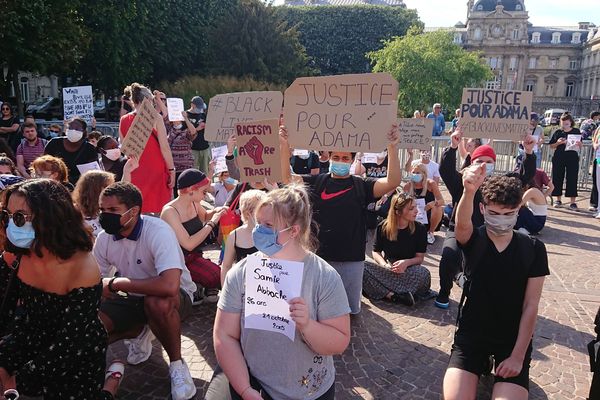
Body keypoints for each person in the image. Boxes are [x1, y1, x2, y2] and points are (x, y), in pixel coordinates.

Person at [213, 185, 351, 399]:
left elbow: (340, 341)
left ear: (293, 230)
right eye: (258, 223)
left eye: (268, 225)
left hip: (309, 392)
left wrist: (307, 324)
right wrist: (245, 389)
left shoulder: (325, 276)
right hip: (253, 381)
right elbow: (224, 335)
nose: (259, 230)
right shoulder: (241, 272)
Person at [0, 179, 124, 399]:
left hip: (75, 349)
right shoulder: (16, 254)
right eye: (6, 215)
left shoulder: (82, 267)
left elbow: (70, 342)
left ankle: (110, 387)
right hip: (30, 336)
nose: (10, 224)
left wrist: (18, 381)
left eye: (19, 217)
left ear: (50, 218)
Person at [442, 172, 548, 400]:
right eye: (494, 213)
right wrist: (469, 191)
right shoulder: (475, 240)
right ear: (482, 209)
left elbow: (531, 305)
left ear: (519, 209)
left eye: (508, 214)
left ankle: (496, 364)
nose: (501, 219)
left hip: (511, 339)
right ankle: (481, 363)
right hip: (472, 334)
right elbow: (461, 227)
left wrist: (518, 357)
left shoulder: (533, 249)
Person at [281, 124, 401, 315]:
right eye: (336, 157)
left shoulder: (362, 185)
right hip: (320, 257)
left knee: (349, 312)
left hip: (351, 259)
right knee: (317, 309)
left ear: (353, 160)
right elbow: (286, 179)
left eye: (345, 158)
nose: (340, 161)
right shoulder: (317, 182)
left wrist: (392, 148)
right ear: (329, 158)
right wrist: (284, 145)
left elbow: (393, 181)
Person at [94, 182, 197, 400]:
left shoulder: (158, 231)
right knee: (96, 325)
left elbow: (169, 286)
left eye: (113, 210)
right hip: (132, 297)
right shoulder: (104, 238)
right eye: (102, 210)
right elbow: (97, 280)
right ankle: (140, 330)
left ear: (134, 211)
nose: (105, 216)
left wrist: (116, 283)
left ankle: (177, 365)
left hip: (177, 297)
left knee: (157, 303)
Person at [435, 131, 537, 309]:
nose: (484, 165)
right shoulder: (461, 181)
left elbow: (524, 176)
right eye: (479, 161)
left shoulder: (501, 183)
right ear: (471, 163)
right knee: (449, 255)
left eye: (489, 162)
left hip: (489, 233)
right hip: (459, 230)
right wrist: (452, 147)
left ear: (495, 164)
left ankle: (483, 293)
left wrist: (529, 152)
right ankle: (444, 292)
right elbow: (445, 170)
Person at [161, 169, 225, 303]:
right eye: (203, 192)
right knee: (216, 276)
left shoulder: (194, 202)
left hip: (193, 256)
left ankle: (199, 286)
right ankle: (194, 286)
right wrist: (213, 223)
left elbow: (205, 216)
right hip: (178, 261)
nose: (206, 195)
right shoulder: (170, 212)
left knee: (220, 275)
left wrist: (217, 211)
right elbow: (189, 244)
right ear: (191, 190)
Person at [362, 190, 433, 306]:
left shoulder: (420, 229)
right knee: (362, 266)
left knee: (424, 273)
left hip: (410, 270)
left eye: (415, 207)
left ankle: (386, 291)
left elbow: (419, 258)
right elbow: (376, 251)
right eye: (411, 209)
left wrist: (405, 263)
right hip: (389, 268)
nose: (416, 211)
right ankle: (395, 295)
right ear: (398, 212)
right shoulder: (383, 227)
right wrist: (384, 265)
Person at [119, 83, 176, 214]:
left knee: (137, 208)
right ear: (147, 100)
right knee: (159, 212)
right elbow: (165, 148)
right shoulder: (155, 117)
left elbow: (124, 147)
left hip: (134, 169)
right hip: (156, 170)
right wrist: (171, 169)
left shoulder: (123, 119)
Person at [221, 189, 266, 285]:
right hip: (242, 287)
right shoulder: (235, 236)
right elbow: (226, 266)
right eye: (260, 209)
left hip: (265, 289)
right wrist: (225, 294)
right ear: (247, 213)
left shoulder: (272, 233)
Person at [44, 116, 99, 184]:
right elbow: (43, 163)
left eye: (77, 128)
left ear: (83, 131)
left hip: (79, 186)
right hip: (55, 184)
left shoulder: (89, 148)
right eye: (70, 128)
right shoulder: (54, 143)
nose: (73, 130)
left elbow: (93, 174)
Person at [403, 162, 445, 244]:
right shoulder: (407, 186)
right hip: (414, 215)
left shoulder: (431, 184)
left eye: (418, 173)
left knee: (438, 208)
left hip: (428, 214)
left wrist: (433, 203)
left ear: (424, 174)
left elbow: (441, 201)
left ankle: (430, 232)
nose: (415, 175)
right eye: (413, 172)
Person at [549, 113, 581, 209]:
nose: (564, 126)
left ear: (571, 123)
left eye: (566, 124)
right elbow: (551, 145)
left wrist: (579, 143)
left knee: (572, 178)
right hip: (559, 157)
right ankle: (558, 199)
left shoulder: (576, 131)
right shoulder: (558, 132)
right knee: (558, 177)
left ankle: (572, 201)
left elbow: (580, 144)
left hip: (572, 157)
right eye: (563, 124)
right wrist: (559, 143)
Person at [73, 170, 116, 238]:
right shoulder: (74, 212)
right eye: (108, 187)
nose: (113, 191)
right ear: (95, 189)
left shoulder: (110, 209)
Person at [165, 112, 198, 195]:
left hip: (185, 167)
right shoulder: (169, 129)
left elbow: (193, 131)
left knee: (188, 192)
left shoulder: (186, 131)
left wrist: (185, 118)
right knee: (177, 193)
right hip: (174, 168)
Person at [186, 96, 210, 174]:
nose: (200, 110)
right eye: (198, 107)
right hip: (192, 149)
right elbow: (184, 133)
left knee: (205, 171)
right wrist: (197, 129)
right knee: (193, 172)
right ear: (192, 105)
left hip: (205, 147)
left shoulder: (203, 115)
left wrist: (207, 125)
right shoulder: (186, 115)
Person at [593, 127, 600, 219]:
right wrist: (595, 145)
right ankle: (599, 209)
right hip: (599, 159)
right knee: (599, 186)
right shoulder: (599, 128)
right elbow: (594, 139)